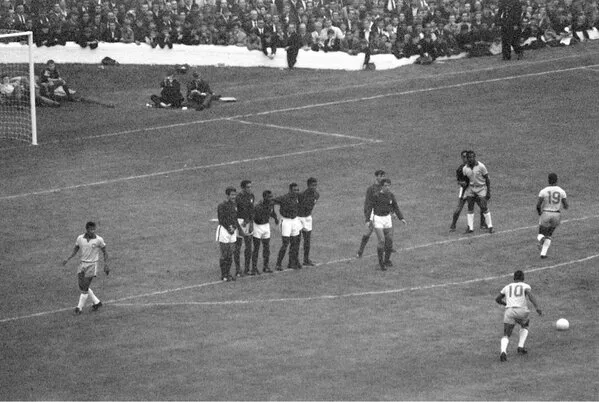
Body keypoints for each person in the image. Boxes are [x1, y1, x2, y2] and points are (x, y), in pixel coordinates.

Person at [62, 222, 109, 315]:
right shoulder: (80, 238)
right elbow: (76, 248)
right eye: (91, 229)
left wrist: (106, 264)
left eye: (94, 229)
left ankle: (79, 308)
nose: (93, 231)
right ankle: (97, 302)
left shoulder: (99, 240)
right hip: (82, 264)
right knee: (82, 286)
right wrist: (68, 258)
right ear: (87, 229)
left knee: (84, 288)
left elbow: (105, 252)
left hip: (92, 265)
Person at [495, 270, 542, 362]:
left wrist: (506, 304)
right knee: (525, 325)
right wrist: (537, 307)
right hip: (521, 311)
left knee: (506, 334)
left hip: (509, 311)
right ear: (523, 278)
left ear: (514, 278)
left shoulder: (507, 287)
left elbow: (497, 299)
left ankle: (503, 351)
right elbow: (531, 297)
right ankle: (520, 346)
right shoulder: (525, 286)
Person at [365, 178, 406, 270]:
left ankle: (386, 260)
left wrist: (401, 218)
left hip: (387, 219)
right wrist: (368, 220)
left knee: (389, 241)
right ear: (382, 186)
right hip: (378, 219)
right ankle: (381, 264)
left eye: (389, 185)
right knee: (382, 241)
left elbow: (395, 207)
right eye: (386, 186)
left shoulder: (391, 195)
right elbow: (370, 207)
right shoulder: (376, 196)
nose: (388, 187)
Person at [450, 150, 486, 232]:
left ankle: (483, 224)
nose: (465, 159)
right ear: (462, 158)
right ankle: (453, 224)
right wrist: (462, 183)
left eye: (466, 157)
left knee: (482, 206)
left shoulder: (475, 166)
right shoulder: (460, 169)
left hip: (474, 190)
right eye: (464, 157)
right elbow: (459, 180)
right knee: (459, 208)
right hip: (464, 190)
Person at [536, 173, 568, 259]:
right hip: (556, 214)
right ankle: (543, 254)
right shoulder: (561, 191)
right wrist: (564, 206)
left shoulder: (543, 191)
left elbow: (538, 205)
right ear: (557, 180)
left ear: (548, 180)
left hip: (546, 213)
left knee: (541, 233)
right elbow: (566, 205)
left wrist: (539, 213)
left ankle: (541, 239)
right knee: (549, 234)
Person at [356, 170, 386, 258]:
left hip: (382, 212)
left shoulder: (384, 187)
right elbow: (367, 204)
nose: (383, 178)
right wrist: (367, 218)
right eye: (381, 176)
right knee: (368, 231)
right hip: (373, 213)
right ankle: (360, 251)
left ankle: (387, 248)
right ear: (376, 176)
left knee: (385, 231)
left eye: (384, 176)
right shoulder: (371, 189)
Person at [462, 151, 493, 233]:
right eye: (468, 157)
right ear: (467, 158)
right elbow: (466, 181)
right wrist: (464, 192)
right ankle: (470, 228)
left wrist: (488, 191)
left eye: (472, 157)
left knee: (484, 207)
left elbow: (487, 178)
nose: (470, 159)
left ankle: (490, 226)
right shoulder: (465, 168)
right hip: (471, 189)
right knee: (470, 208)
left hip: (481, 188)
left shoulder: (481, 166)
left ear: (475, 157)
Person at [273, 182, 302, 270]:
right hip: (286, 222)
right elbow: (272, 201)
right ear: (290, 190)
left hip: (295, 221)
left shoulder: (297, 197)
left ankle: (292, 262)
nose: (296, 192)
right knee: (285, 243)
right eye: (294, 190)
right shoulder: (284, 198)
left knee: (294, 243)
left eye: (297, 190)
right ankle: (278, 264)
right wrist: (275, 215)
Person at [216, 186, 243, 281]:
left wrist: (235, 228)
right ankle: (224, 275)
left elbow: (235, 218)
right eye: (232, 195)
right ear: (227, 195)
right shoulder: (222, 205)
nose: (234, 196)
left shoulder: (234, 205)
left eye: (235, 195)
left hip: (232, 230)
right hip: (224, 230)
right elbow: (221, 219)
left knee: (231, 253)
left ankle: (228, 273)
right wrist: (229, 228)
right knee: (224, 253)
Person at [252, 190, 279, 274]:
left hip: (266, 226)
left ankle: (266, 266)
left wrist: (275, 219)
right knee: (256, 248)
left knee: (266, 247)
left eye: (271, 196)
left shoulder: (271, 204)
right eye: (269, 197)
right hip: (258, 227)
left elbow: (272, 212)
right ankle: (254, 268)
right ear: (264, 197)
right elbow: (253, 217)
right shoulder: (258, 206)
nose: (271, 198)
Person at [234, 180, 255, 277]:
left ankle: (247, 268)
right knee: (237, 247)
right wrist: (239, 227)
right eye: (248, 187)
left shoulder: (251, 196)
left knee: (249, 247)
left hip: (248, 222)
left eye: (250, 187)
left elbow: (252, 210)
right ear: (242, 188)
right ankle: (238, 270)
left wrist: (251, 223)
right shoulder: (238, 198)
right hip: (240, 223)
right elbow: (234, 213)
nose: (250, 189)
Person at [298, 177, 320, 266]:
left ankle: (306, 260)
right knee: (297, 240)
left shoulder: (317, 195)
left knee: (307, 240)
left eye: (315, 185)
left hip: (308, 218)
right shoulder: (301, 195)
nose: (314, 187)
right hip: (299, 218)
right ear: (308, 185)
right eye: (312, 185)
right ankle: (294, 260)